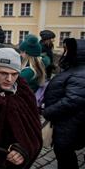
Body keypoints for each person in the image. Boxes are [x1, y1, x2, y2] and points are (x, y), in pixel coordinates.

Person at [43, 38, 85, 169]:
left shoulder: (81, 73)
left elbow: (72, 100)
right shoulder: (75, 69)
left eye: (66, 50)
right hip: (67, 123)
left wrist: (48, 112)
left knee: (65, 156)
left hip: (69, 125)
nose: (63, 53)